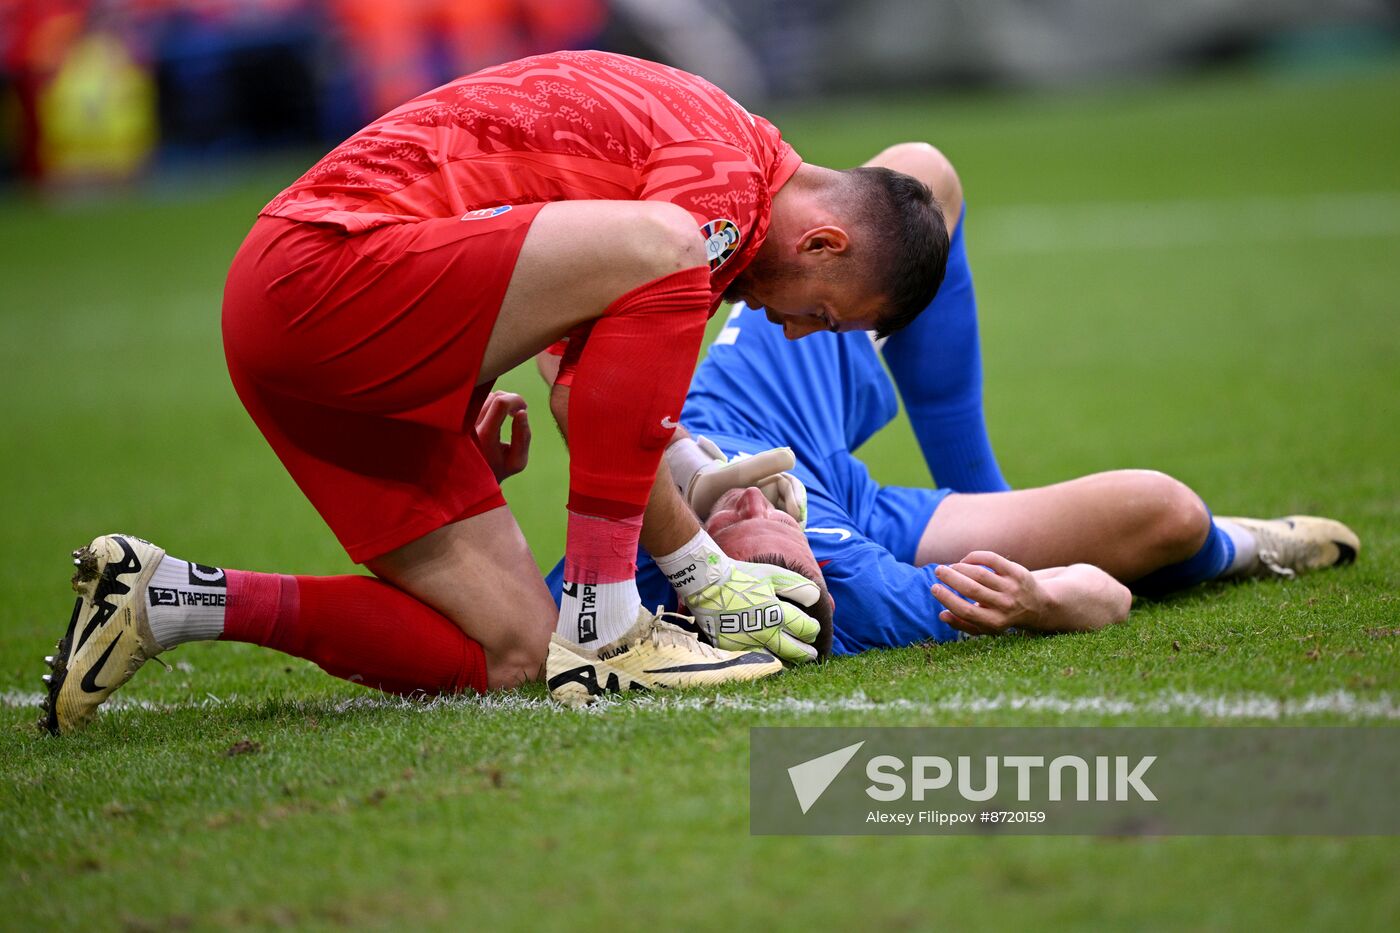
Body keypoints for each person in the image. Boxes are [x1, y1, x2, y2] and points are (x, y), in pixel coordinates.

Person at [38, 51, 951, 734]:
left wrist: (460, 379)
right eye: (823, 317)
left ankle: (163, 596)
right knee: (668, 245)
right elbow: (586, 388)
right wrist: (702, 572)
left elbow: (580, 379)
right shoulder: (717, 202)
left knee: (511, 651)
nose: (797, 333)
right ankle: (606, 627)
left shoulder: (724, 178)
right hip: (316, 273)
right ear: (824, 243)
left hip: (330, 324)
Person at [551, 142, 1360, 652]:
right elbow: (1103, 598)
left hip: (747, 410)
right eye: (775, 554)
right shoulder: (858, 589)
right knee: (1169, 513)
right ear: (807, 585)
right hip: (852, 504)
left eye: (735, 544)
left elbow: (579, 402)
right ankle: (1245, 548)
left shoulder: (618, 570)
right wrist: (1039, 595)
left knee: (921, 174)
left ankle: (978, 488)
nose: (758, 517)